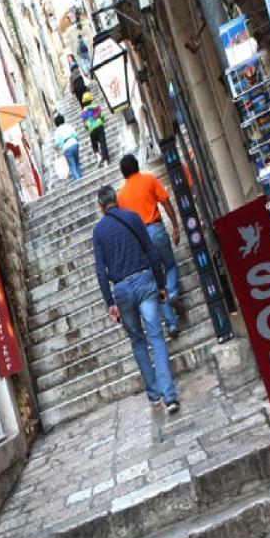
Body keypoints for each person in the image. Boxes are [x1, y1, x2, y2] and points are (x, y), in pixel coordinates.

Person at [92, 185, 179, 413]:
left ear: (101, 207)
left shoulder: (99, 231)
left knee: (138, 342)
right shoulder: (132, 217)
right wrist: (161, 285)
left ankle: (153, 395)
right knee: (156, 337)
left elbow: (100, 270)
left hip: (121, 290)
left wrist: (110, 302)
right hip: (144, 281)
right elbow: (151, 251)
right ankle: (169, 396)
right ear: (117, 200)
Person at [116, 153, 182, 337]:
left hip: (139, 238)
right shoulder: (150, 180)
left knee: (154, 281)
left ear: (123, 173)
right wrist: (175, 225)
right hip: (156, 229)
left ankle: (171, 324)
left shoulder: (121, 196)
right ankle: (174, 292)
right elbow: (166, 202)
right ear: (137, 166)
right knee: (169, 266)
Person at [81, 92, 111, 166]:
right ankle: (106, 160)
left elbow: (84, 122)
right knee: (103, 143)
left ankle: (98, 155)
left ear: (84, 101)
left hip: (91, 129)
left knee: (94, 144)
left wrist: (88, 128)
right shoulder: (96, 106)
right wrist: (102, 120)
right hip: (99, 125)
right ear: (91, 99)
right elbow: (102, 115)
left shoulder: (84, 110)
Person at [52, 112, 82, 182]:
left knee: (72, 165)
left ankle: (78, 180)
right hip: (74, 144)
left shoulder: (57, 131)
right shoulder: (69, 126)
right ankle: (80, 177)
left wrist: (56, 148)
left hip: (67, 148)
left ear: (56, 123)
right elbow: (75, 135)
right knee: (77, 163)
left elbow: (58, 143)